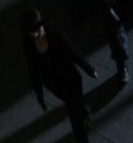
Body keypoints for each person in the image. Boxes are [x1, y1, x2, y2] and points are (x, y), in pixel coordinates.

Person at [21, 8, 96, 143]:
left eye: (38, 30)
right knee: (74, 106)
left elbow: (73, 54)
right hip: (54, 85)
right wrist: (39, 93)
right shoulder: (28, 45)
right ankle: (82, 112)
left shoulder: (57, 37)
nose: (36, 34)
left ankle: (82, 137)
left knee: (74, 115)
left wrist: (88, 69)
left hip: (71, 80)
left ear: (43, 26)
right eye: (32, 32)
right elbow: (32, 68)